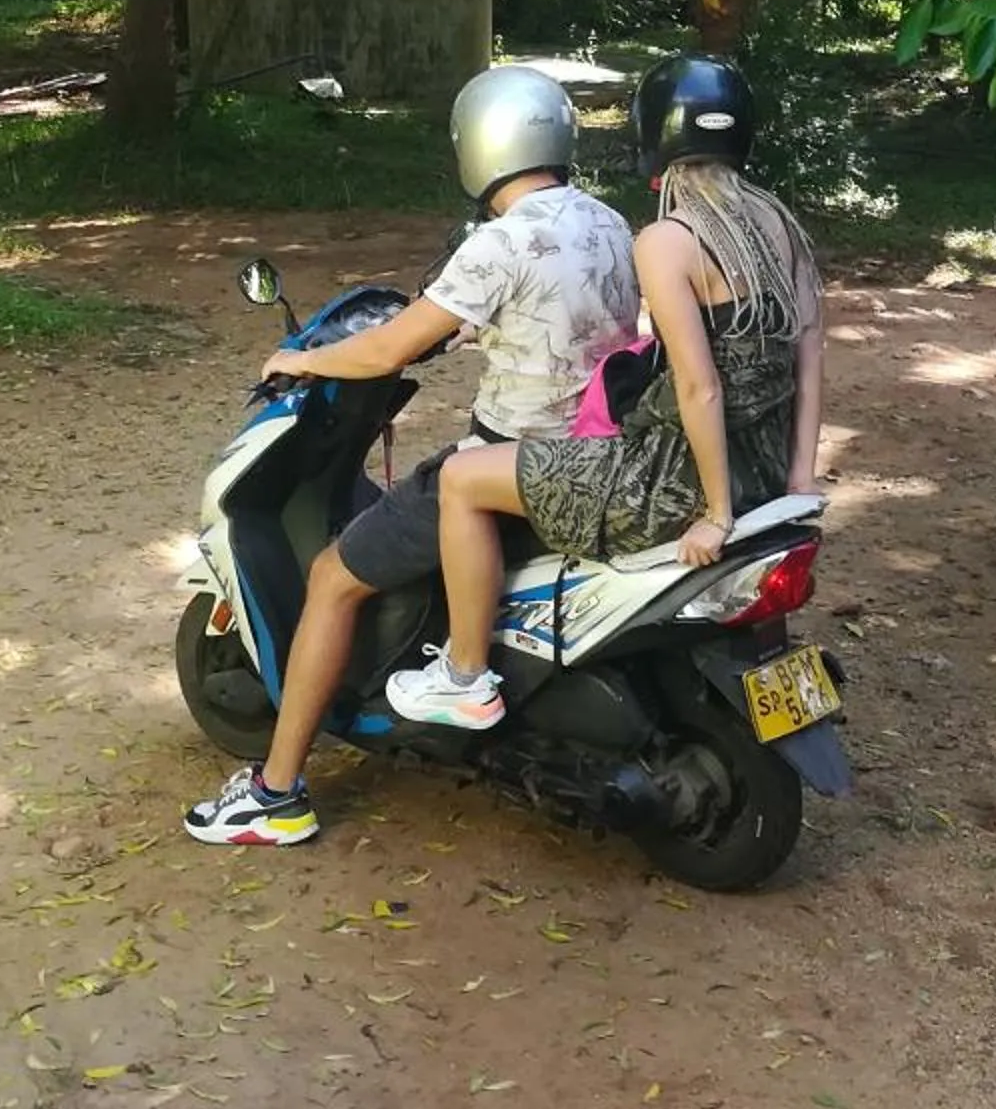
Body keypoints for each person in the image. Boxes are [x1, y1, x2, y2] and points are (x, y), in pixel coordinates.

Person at [182, 63, 639, 845]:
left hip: (506, 464)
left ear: (481, 146)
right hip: (590, 455)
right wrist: (471, 326)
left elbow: (382, 350)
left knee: (330, 576)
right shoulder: (608, 222)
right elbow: (565, 315)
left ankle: (278, 793)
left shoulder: (499, 241)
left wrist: (305, 361)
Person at [401, 56, 825, 730]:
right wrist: (797, 475)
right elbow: (809, 355)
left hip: (676, 479)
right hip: (766, 468)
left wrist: (714, 513)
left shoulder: (668, 240)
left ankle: (465, 676)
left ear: (652, 137)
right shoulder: (781, 230)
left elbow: (699, 386)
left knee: (458, 478)